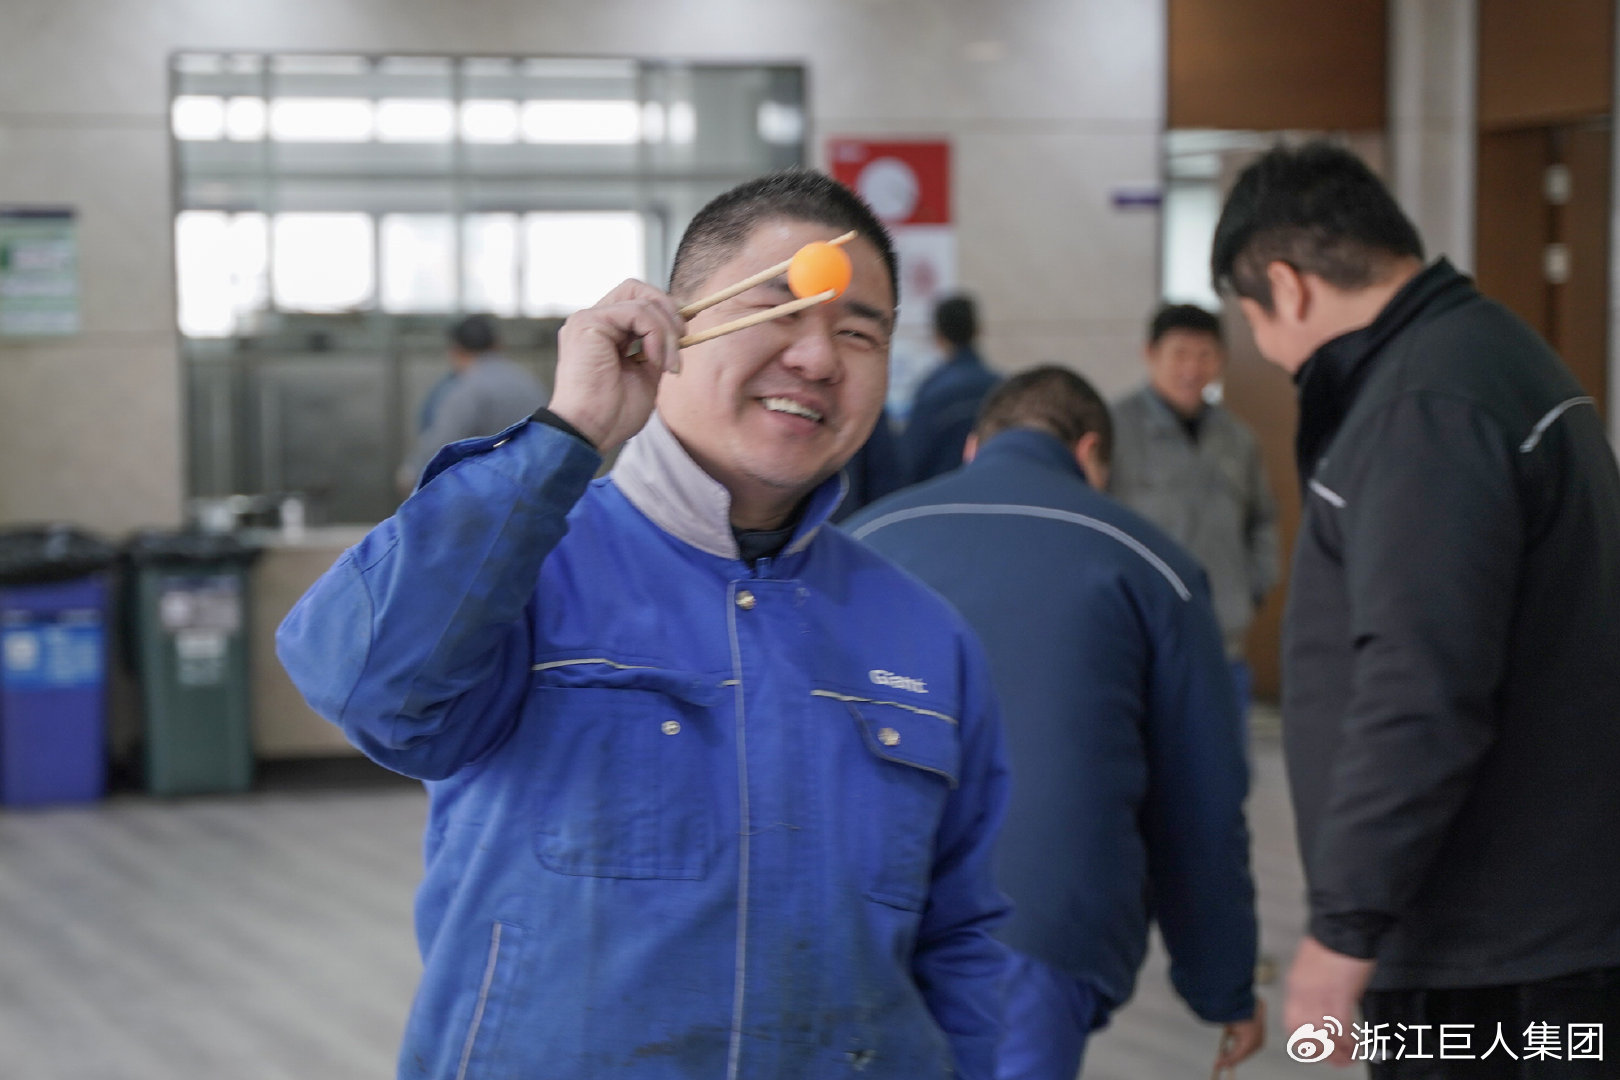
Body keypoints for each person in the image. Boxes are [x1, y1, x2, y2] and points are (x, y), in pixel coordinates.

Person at [278, 170, 1012, 1080]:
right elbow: (361, 685)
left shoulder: (925, 638)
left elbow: (966, 939)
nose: (819, 359)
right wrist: (569, 431)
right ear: (673, 326)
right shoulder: (527, 567)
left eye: (859, 333)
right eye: (779, 310)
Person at [1213, 141, 1620, 1075]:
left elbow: (1420, 683)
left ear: (1287, 286)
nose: (1267, 351)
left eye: (1252, 319)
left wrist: (1343, 929)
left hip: (1492, 955)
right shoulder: (1493, 354)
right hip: (1539, 929)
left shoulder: (1421, 408)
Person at [847, 366, 1263, 1080]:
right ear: (1092, 453)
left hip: (856, 916)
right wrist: (1222, 984)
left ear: (975, 446)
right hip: (1035, 930)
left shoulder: (863, 539)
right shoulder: (1153, 566)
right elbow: (1202, 801)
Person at [1109, 304, 1278, 719]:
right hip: (1141, 642)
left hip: (1224, 640)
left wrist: (1253, 586)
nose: (1192, 368)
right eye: (1180, 353)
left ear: (1221, 360)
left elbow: (1263, 520)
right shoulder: (1115, 431)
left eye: (1205, 355)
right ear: (1150, 354)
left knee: (1225, 756)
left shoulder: (1238, 438)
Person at [395, 314, 549, 493]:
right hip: (534, 489)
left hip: (486, 493)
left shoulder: (466, 389)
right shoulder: (529, 383)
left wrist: (411, 473)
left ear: (455, 350)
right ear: (498, 345)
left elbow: (441, 444)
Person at [900, 293, 999, 483]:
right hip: (995, 491)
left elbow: (909, 462)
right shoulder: (1002, 389)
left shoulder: (931, 391)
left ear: (938, 335)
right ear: (978, 330)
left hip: (940, 495)